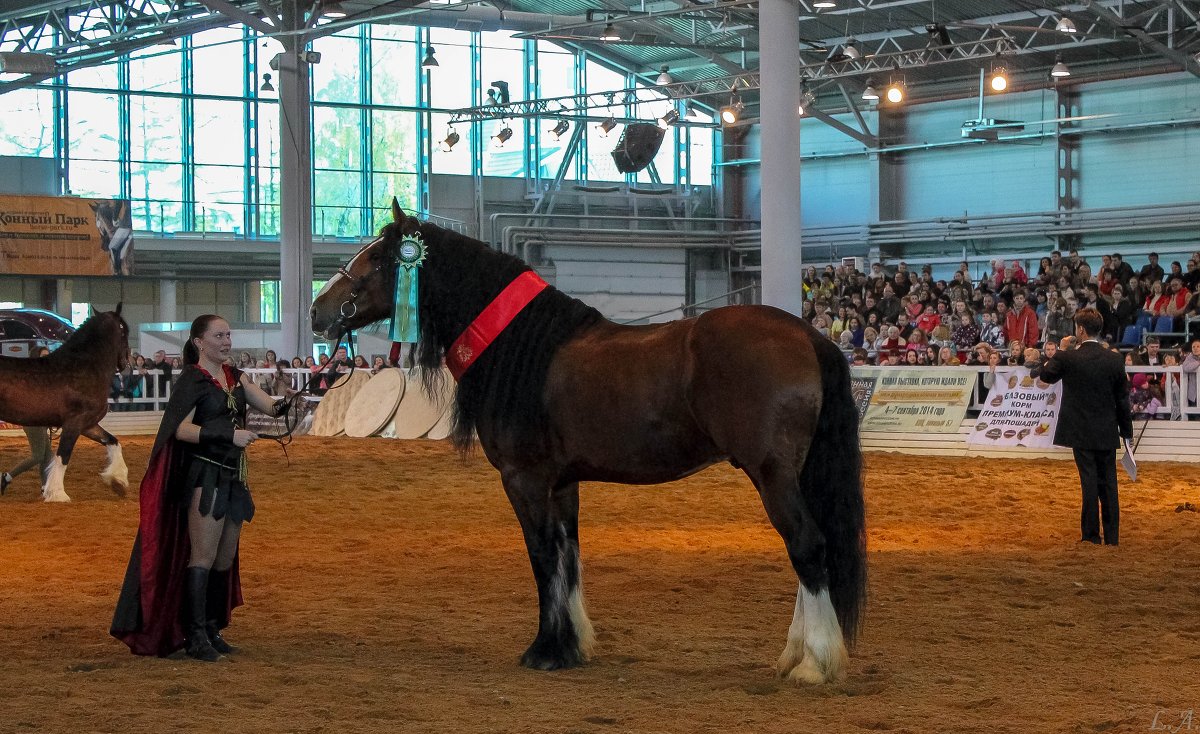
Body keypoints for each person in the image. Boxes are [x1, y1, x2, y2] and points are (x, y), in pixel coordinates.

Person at [111, 314, 289, 662]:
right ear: (199, 342)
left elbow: (269, 405)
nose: (227, 341)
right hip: (205, 477)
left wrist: (292, 399)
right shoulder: (193, 380)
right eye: (219, 335)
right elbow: (181, 430)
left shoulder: (235, 378)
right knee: (203, 557)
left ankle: (210, 627)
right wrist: (228, 434)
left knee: (224, 558)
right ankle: (194, 636)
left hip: (234, 477)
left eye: (228, 334)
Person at [1025, 308, 1133, 546]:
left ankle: (1091, 535)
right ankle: (1112, 537)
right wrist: (1127, 432)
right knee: (1109, 484)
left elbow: (1046, 376)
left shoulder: (1068, 357)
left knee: (1089, 482)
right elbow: (1123, 399)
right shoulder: (1114, 358)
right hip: (1106, 430)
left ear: (1080, 330)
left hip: (1080, 431)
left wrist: (1062, 350)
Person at [1, 347, 54, 496]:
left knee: (47, 456)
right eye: (44, 355)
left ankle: (45, 487)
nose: (47, 358)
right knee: (38, 455)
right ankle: (6, 477)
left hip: (40, 418)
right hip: (31, 418)